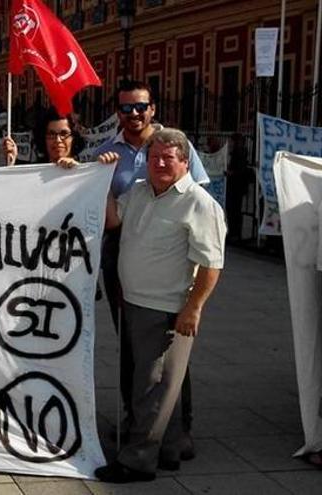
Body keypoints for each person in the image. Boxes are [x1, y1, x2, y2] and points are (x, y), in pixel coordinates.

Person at [95, 128, 225, 483]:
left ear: (185, 162)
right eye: (155, 158)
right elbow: (113, 221)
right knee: (158, 383)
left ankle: (136, 461)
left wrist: (193, 308)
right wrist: (104, 182)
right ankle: (169, 449)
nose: (161, 164)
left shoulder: (199, 204)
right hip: (134, 302)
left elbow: (212, 264)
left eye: (169, 158)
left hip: (168, 308)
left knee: (152, 387)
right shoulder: (139, 191)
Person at [93, 80, 210, 440]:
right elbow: (102, 208)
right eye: (126, 108)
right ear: (118, 113)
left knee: (170, 349)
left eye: (140, 106)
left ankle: (179, 427)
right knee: (131, 342)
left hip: (170, 255)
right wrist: (100, 176)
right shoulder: (103, 152)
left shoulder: (175, 144)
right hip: (121, 250)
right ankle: (136, 419)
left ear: (152, 109)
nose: (134, 114)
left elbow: (198, 198)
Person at [2, 107, 118, 167]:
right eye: (51, 134)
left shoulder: (83, 173)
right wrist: (11, 162)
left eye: (64, 134)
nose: (58, 140)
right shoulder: (31, 172)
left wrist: (77, 172)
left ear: (74, 138)